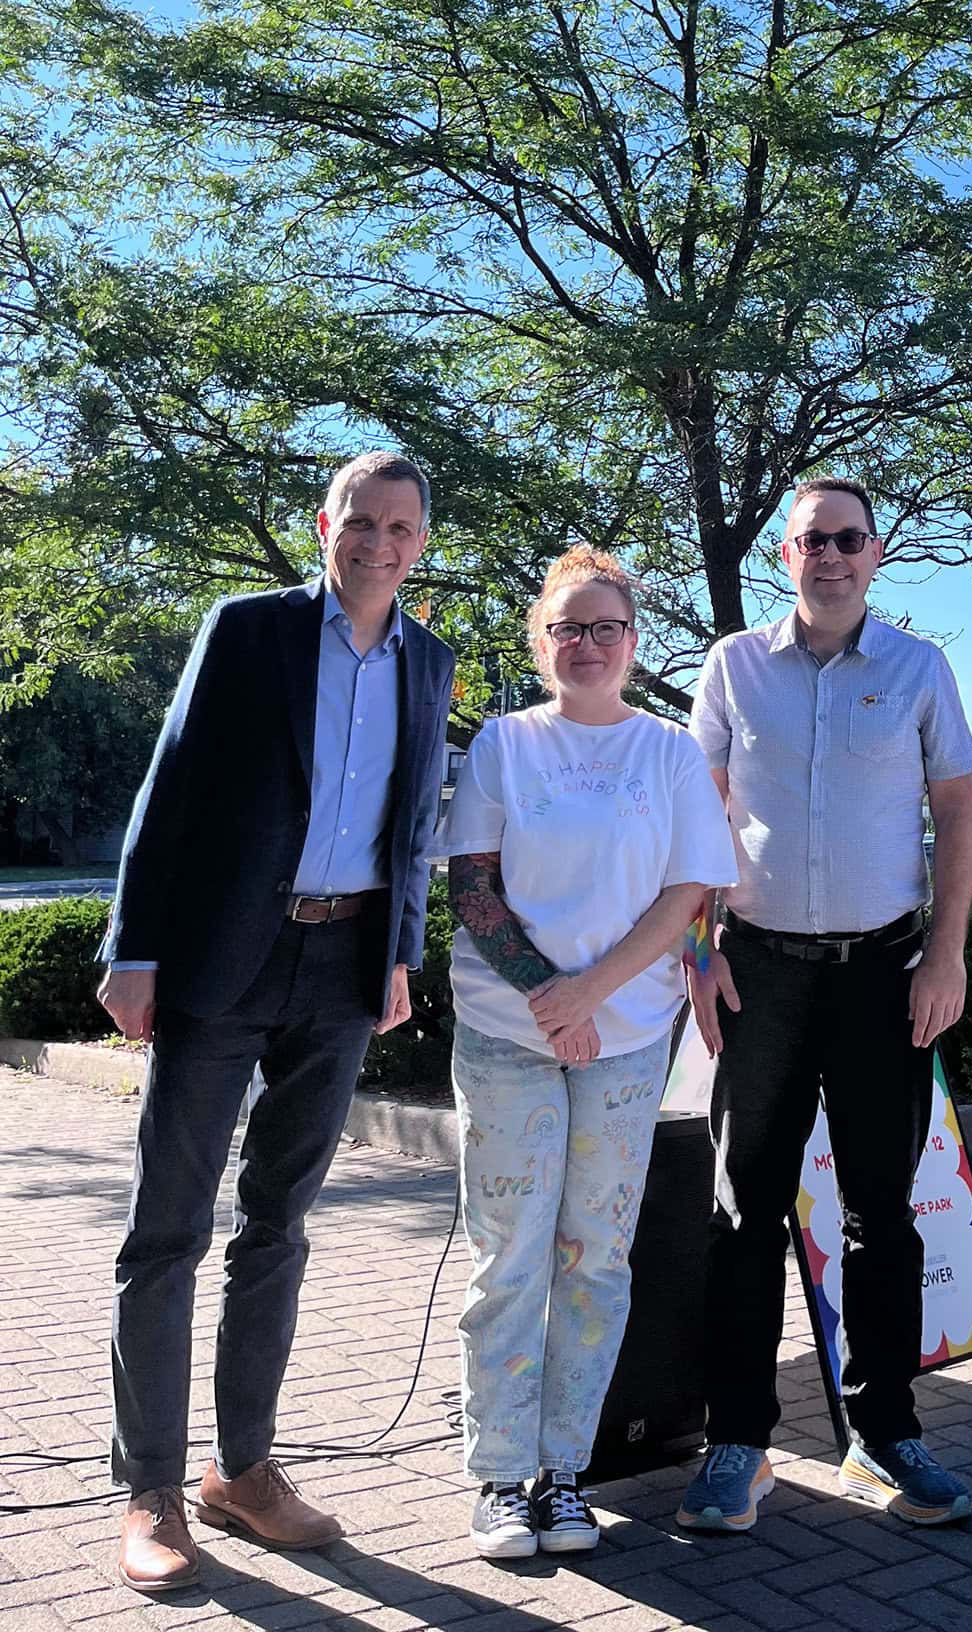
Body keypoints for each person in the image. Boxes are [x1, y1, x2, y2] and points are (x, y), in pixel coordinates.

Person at [98, 452, 454, 1592]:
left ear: (421, 540)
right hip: (221, 961)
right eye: (363, 520)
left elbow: (409, 830)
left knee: (279, 1229)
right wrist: (133, 948)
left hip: (341, 966)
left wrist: (399, 951)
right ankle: (151, 1488)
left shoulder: (430, 660)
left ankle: (242, 1470)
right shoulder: (247, 629)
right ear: (326, 524)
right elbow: (172, 786)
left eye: (402, 527)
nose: (380, 542)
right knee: (168, 1231)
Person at [676, 477, 972, 1534]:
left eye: (848, 539)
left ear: (876, 551)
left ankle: (886, 1435)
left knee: (882, 1216)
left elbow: (956, 813)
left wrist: (946, 956)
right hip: (758, 969)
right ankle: (739, 1444)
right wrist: (697, 947)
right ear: (786, 555)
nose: (831, 556)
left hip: (882, 975)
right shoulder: (732, 668)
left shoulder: (918, 669)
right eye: (812, 541)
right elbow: (697, 815)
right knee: (743, 1212)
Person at [440, 546, 736, 1561]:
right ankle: (497, 1475)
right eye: (569, 627)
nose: (589, 643)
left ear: (633, 643)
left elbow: (689, 894)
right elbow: (473, 884)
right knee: (510, 1257)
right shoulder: (503, 745)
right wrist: (544, 999)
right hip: (504, 1036)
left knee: (593, 1258)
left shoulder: (666, 753)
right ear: (541, 641)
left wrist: (589, 997)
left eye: (607, 627)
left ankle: (564, 1472)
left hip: (626, 1039)